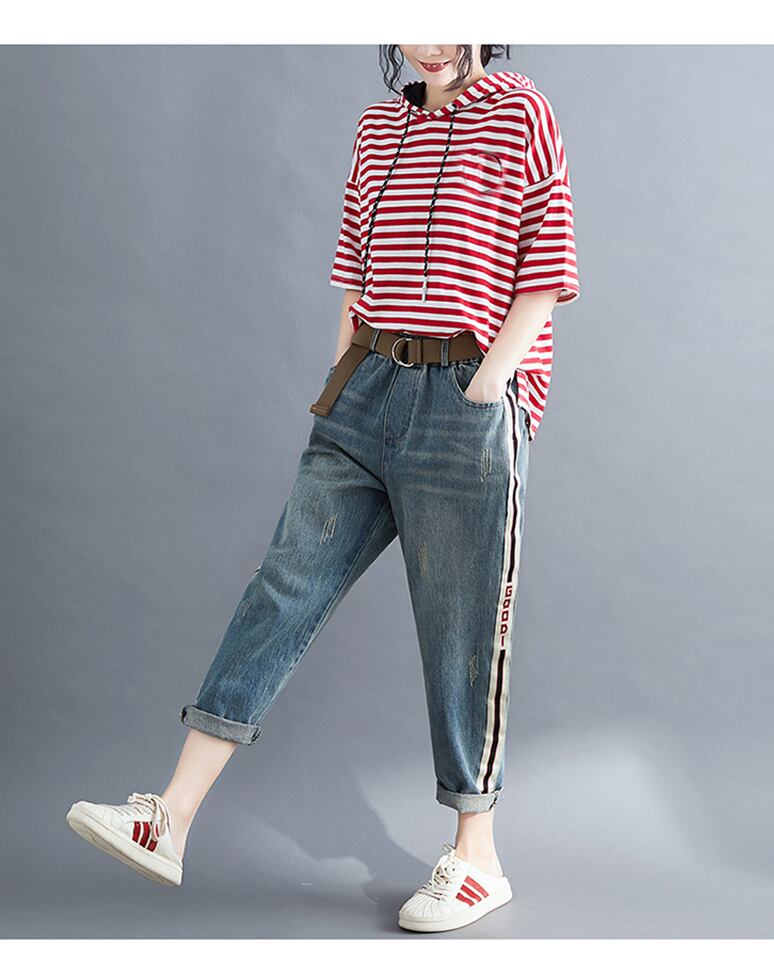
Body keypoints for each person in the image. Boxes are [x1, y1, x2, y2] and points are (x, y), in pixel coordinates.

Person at [66, 43, 580, 934]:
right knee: (283, 587)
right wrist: (344, 372)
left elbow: (548, 266)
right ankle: (169, 818)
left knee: (462, 629)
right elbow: (354, 265)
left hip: (464, 399)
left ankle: (476, 857)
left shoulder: (520, 111)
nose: (426, 32)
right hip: (366, 388)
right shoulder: (378, 127)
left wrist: (489, 383)